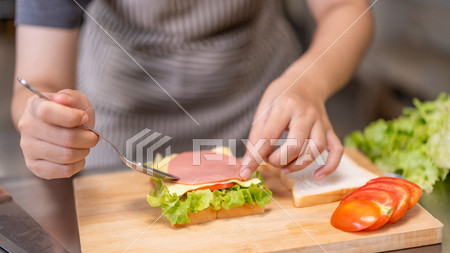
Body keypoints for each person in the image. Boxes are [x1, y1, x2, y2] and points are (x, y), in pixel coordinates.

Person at [11, 0, 373, 180]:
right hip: (120, 133)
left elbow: (346, 8)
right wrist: (45, 123)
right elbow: (37, 80)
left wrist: (306, 84)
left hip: (259, 117)